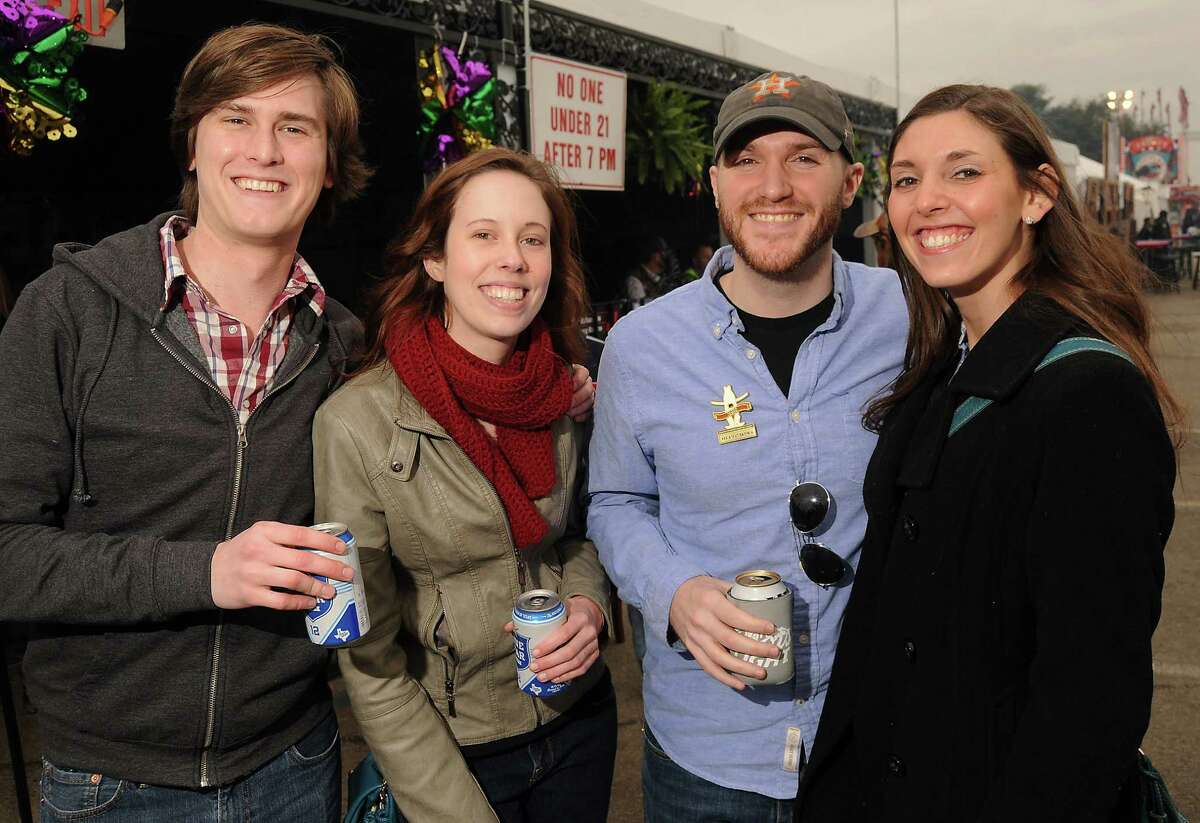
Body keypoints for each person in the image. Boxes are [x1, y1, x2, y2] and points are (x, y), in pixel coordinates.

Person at [0, 24, 370, 821]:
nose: (264, 150)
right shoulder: (67, 313)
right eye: (236, 117)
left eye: (295, 127)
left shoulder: (340, 343)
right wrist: (207, 572)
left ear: (328, 163)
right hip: (112, 783)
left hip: (297, 761)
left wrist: (565, 385)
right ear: (192, 146)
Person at [797, 84, 1180, 822]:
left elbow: (1089, 699)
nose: (927, 200)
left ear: (1037, 195)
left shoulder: (1087, 393)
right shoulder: (941, 369)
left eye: (964, 172)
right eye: (907, 179)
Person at [588, 72, 908, 821]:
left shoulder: (910, 317)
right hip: (706, 758)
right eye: (745, 160)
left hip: (869, 740)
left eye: (803, 157)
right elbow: (615, 501)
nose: (773, 186)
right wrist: (675, 590)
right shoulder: (641, 346)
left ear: (852, 178)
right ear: (714, 182)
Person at [314, 147, 616, 823]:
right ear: (435, 260)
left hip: (581, 724)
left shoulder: (557, 393)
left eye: (532, 239)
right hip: (454, 753)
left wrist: (587, 607)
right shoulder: (357, 422)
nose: (512, 258)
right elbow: (368, 658)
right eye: (483, 234)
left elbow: (575, 539)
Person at [624, 235, 673, 306]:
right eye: (662, 253)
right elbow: (641, 309)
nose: (665, 256)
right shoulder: (635, 280)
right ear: (655, 255)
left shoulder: (663, 278)